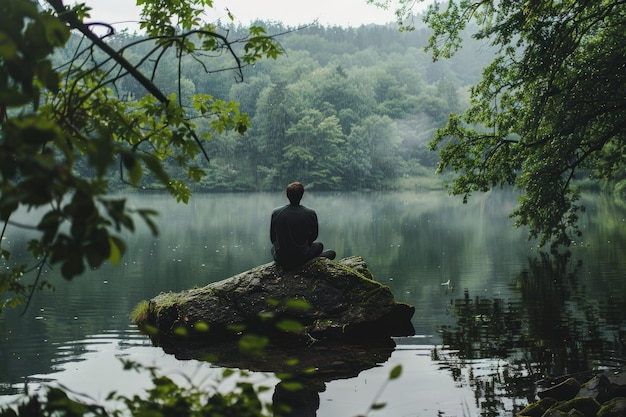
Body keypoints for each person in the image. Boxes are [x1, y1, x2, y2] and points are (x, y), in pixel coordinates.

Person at [270, 182, 336, 269]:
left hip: (281, 259)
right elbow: (313, 237)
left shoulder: (276, 213)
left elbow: (273, 238)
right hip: (302, 257)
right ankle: (311, 261)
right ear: (302, 195)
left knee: (273, 248)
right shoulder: (310, 213)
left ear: (287, 195)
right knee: (324, 248)